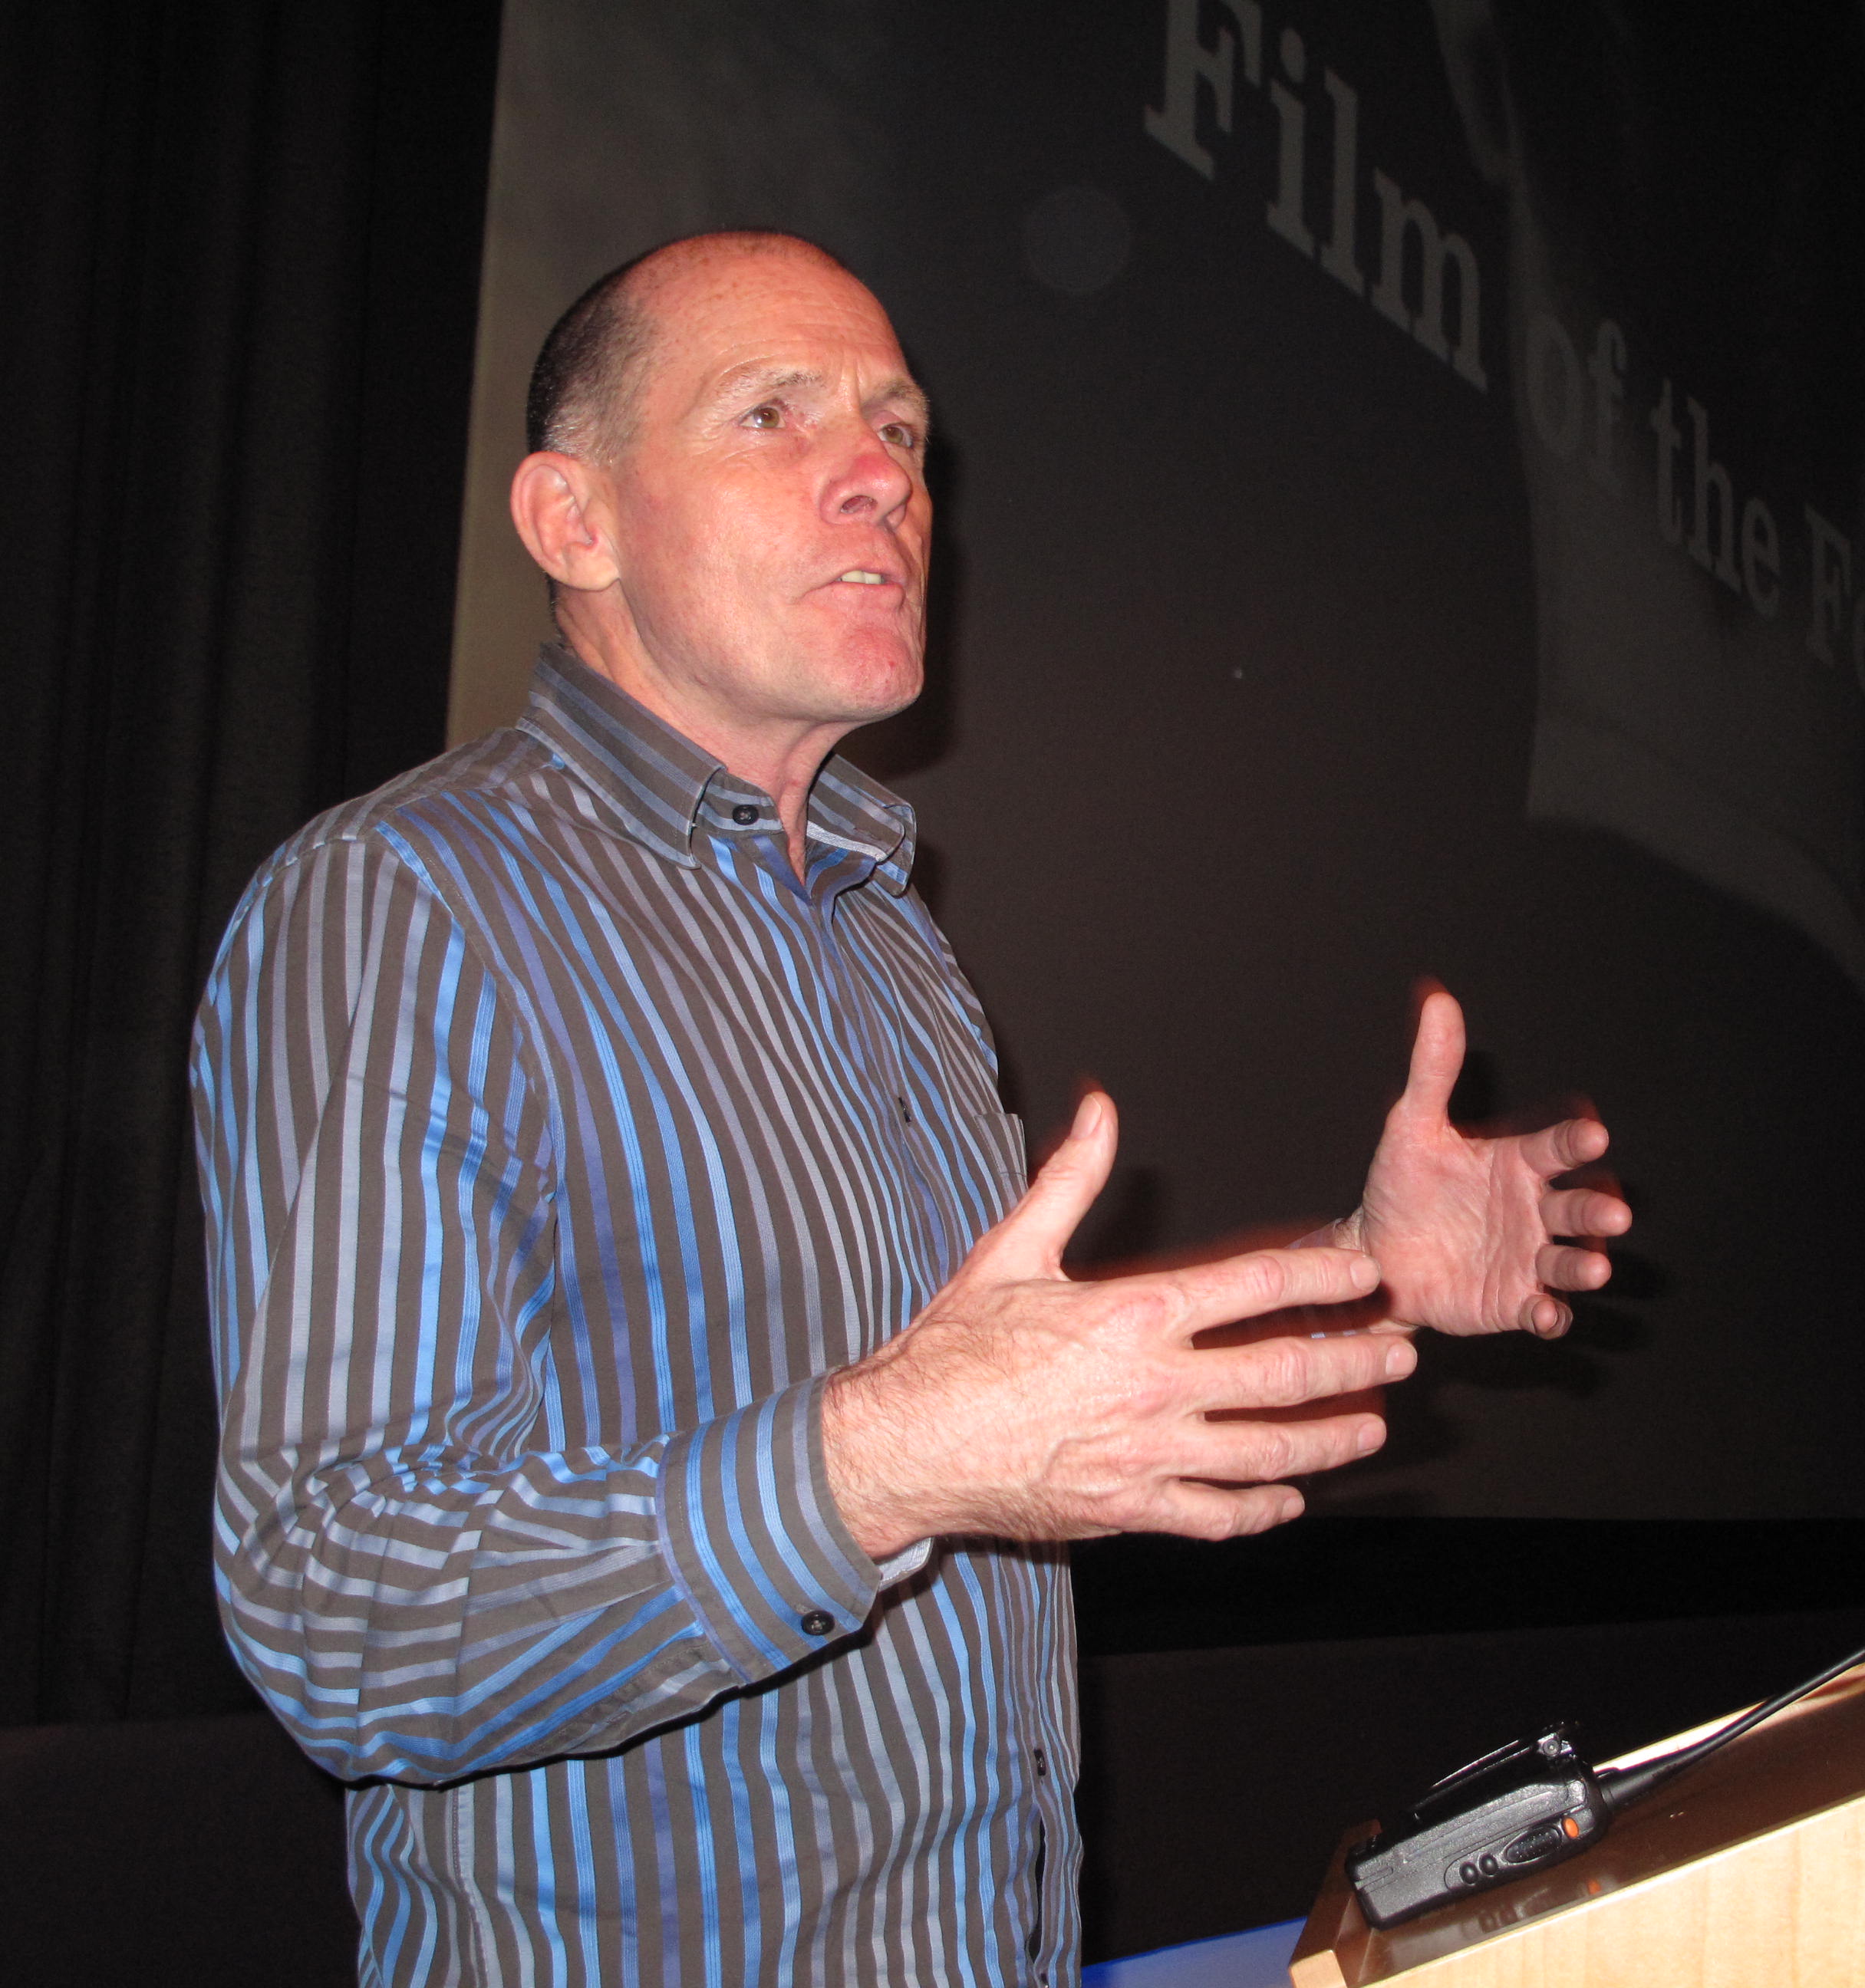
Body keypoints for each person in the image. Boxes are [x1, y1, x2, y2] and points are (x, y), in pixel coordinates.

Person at [191, 229, 1629, 1987]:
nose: (882, 475)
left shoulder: (890, 932)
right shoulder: (409, 902)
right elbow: (338, 1612)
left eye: (900, 427)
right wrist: (880, 1463)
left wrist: (1360, 1263)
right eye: (774, 415)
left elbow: (989, 1388)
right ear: (575, 524)